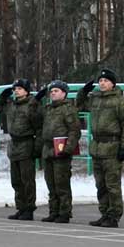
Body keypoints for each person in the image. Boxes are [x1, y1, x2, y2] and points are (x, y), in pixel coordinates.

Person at [76, 69, 124, 228]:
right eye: (100, 81)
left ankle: (113, 216)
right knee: (100, 185)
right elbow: (79, 105)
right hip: (97, 147)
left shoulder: (120, 101)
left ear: (112, 83)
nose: (102, 83)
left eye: (106, 81)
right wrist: (83, 91)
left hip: (112, 147)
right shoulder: (95, 99)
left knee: (112, 185)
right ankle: (104, 214)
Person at [37, 80, 81, 224]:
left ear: (64, 93)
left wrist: (68, 148)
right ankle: (53, 211)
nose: (52, 93)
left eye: (56, 91)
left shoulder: (68, 109)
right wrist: (36, 99)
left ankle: (64, 212)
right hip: (48, 148)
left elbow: (74, 131)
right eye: (51, 91)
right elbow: (34, 115)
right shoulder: (48, 109)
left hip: (61, 149)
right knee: (51, 183)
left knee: (61, 183)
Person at [0, 79, 42, 220]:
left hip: (26, 143)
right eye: (15, 88)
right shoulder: (12, 105)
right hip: (14, 145)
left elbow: (38, 127)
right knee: (16, 180)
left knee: (27, 180)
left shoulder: (31, 105)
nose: (16, 91)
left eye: (20, 89)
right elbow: (0, 107)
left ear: (26, 91)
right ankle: (21, 207)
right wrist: (2, 98)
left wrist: (36, 148)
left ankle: (29, 209)